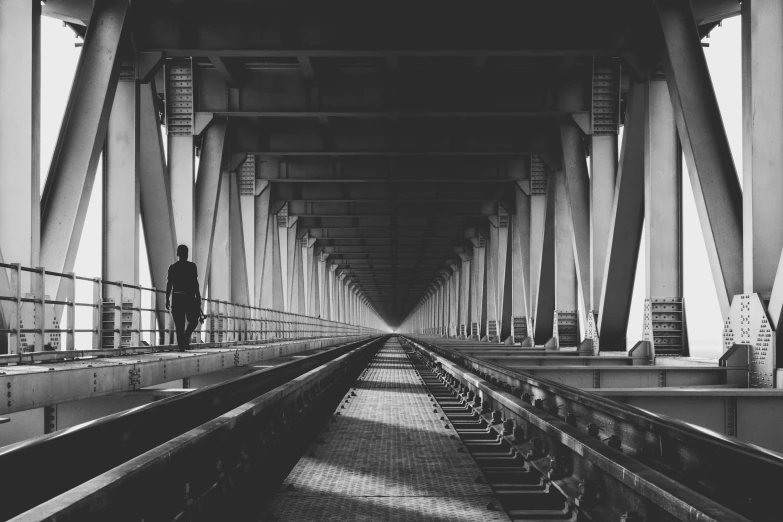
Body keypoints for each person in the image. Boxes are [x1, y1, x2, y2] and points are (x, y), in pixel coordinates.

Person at [166, 245, 201, 352]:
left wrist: (167, 298)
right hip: (189, 298)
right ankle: (185, 340)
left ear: (177, 254)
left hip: (177, 298)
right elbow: (195, 284)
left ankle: (182, 345)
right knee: (194, 320)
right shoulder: (192, 266)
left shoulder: (173, 267)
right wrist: (198, 297)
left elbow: (169, 284)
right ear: (186, 254)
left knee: (179, 325)